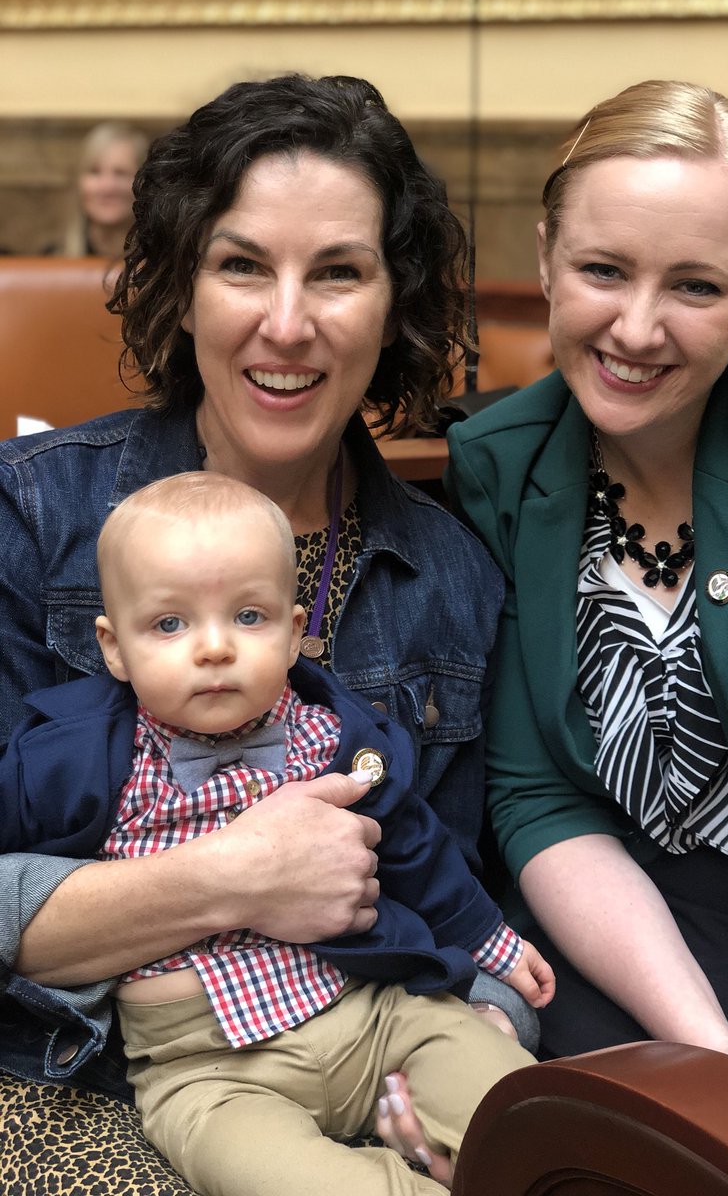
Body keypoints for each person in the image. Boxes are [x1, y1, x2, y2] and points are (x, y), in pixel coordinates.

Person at [0, 73, 520, 1189]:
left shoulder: (452, 578)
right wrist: (235, 877)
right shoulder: (27, 516)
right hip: (93, 1080)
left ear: (395, 306)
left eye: (338, 271)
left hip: (376, 1044)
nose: (288, 323)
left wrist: (483, 1028)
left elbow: (450, 884)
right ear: (182, 291)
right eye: (242, 265)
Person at [447, 79, 728, 1128]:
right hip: (631, 945)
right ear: (548, 252)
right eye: (604, 270)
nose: (637, 329)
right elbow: (535, 798)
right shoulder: (499, 461)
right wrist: (713, 1054)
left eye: (696, 286)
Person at [1, 472, 551, 1194]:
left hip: (375, 1014)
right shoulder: (69, 756)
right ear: (113, 647)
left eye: (249, 617)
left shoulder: (335, 734)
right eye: (170, 624)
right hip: (205, 1071)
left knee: (526, 1111)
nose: (214, 648)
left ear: (295, 634)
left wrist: (490, 946)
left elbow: (418, 847)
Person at [55, 121, 148, 258]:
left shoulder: (169, 266)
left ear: (145, 184)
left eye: (121, 173)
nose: (107, 186)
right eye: (95, 172)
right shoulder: (50, 261)